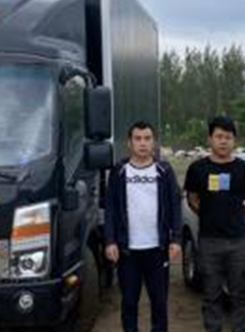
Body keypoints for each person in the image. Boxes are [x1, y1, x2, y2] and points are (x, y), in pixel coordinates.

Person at [184, 116, 245, 332]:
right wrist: (208, 215)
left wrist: (239, 217)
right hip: (209, 241)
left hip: (238, 241)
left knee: (238, 293)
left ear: (234, 140)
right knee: (211, 293)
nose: (223, 141)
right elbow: (192, 198)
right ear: (210, 139)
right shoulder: (197, 169)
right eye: (219, 136)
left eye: (228, 137)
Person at [104, 121, 182, 332]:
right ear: (129, 143)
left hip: (158, 249)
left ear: (154, 142)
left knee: (159, 303)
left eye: (147, 138)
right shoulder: (119, 172)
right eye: (137, 139)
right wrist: (110, 240)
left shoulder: (164, 171)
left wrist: (176, 240)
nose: (143, 143)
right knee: (129, 302)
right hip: (127, 251)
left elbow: (175, 207)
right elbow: (110, 208)